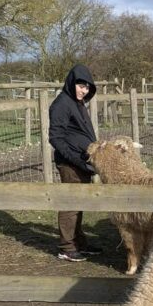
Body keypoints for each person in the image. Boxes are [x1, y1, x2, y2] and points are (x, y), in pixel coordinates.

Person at [48, 64, 102, 262]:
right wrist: (75, 158)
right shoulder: (61, 104)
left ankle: (79, 243)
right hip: (70, 163)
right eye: (81, 85)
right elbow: (55, 137)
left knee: (79, 203)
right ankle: (67, 247)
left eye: (87, 87)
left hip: (82, 163)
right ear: (72, 83)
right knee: (70, 204)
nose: (84, 90)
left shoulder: (76, 103)